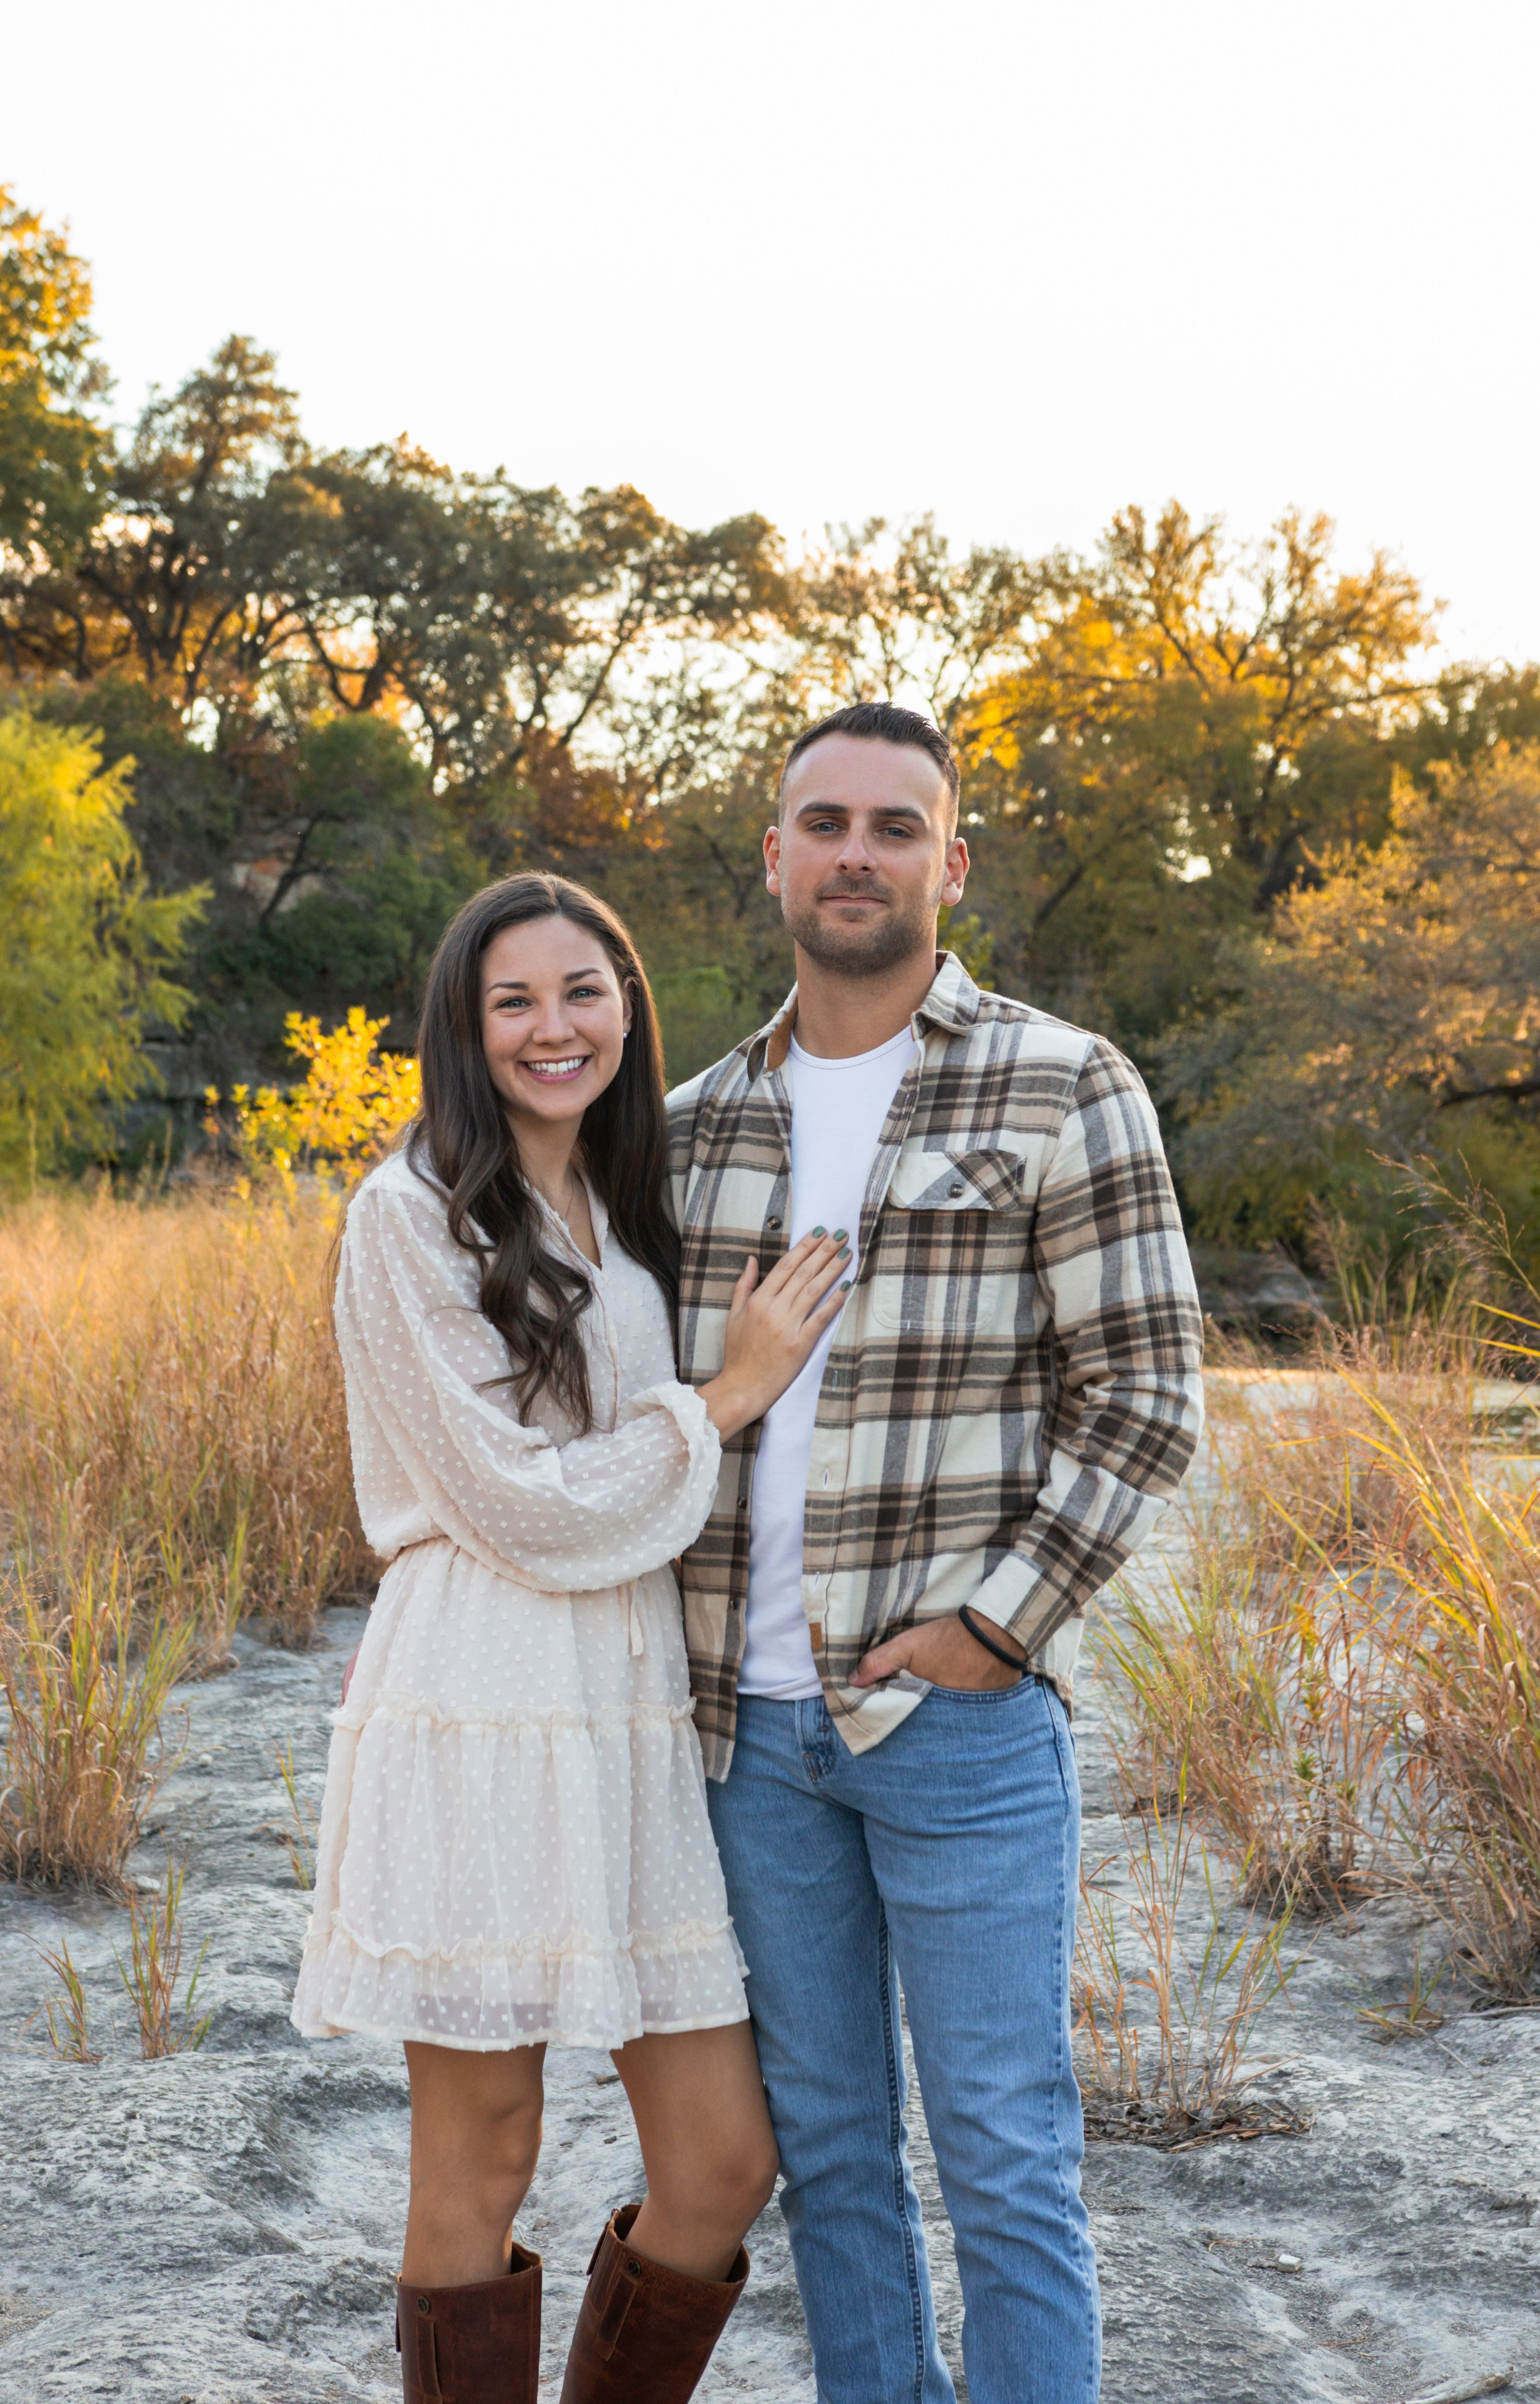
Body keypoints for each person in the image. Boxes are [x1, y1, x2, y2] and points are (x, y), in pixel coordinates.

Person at [666, 702, 1205, 2404]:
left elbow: (1148, 1392)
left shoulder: (1061, 1080)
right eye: (821, 823)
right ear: (772, 859)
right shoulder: (692, 1124)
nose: (854, 854)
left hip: (956, 1728)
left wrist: (997, 1622)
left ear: (949, 864)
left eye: (895, 828)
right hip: (748, 1741)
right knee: (829, 2152)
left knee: (1004, 2155)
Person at [292, 872, 852, 2404]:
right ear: (464, 1031)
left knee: (721, 2160)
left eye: (583, 992)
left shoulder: (628, 1197)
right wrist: (727, 1395)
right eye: (513, 1000)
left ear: (628, 1008)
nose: (554, 1027)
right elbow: (518, 1505)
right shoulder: (407, 1212)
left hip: (627, 1708)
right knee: (482, 2151)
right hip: (479, 1692)